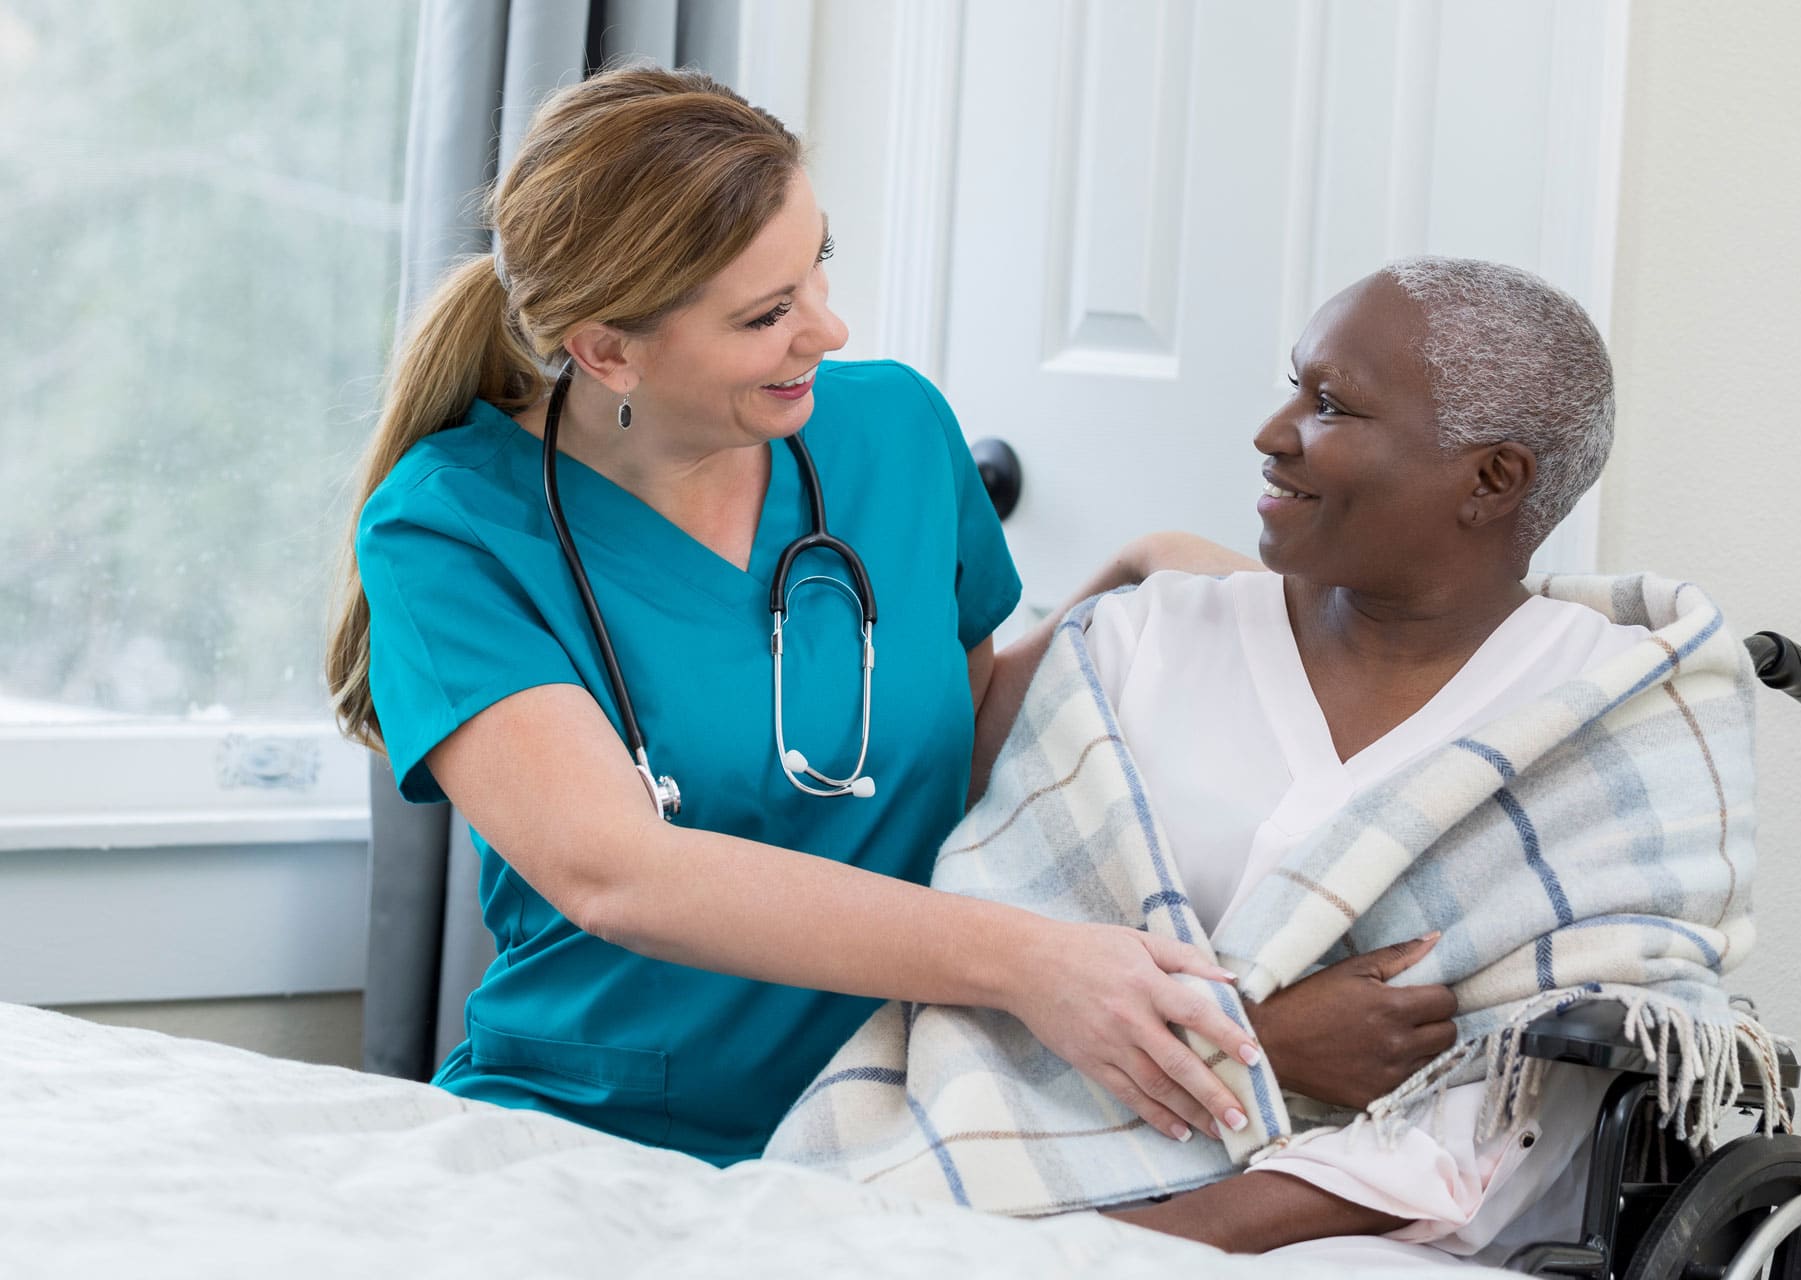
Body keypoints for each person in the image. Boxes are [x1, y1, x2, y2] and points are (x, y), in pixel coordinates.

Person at [323, 67, 1452, 1169]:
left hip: (905, 1119)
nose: (831, 327)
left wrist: (1129, 596)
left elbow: (951, 739)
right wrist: (1036, 963)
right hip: (600, 1136)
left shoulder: (896, 430)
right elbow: (617, 871)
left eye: (819, 263)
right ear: (607, 347)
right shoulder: (451, 529)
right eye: (769, 314)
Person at [971, 257, 1639, 1259]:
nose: (1272, 431)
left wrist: (1111, 1249)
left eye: (1329, 404)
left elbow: (1515, 1118)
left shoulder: (1601, 710)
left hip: (1401, 1234)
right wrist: (1255, 1041)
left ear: (1492, 478)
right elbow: (995, 951)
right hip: (1050, 1163)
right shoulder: (1144, 637)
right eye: (1294, 382)